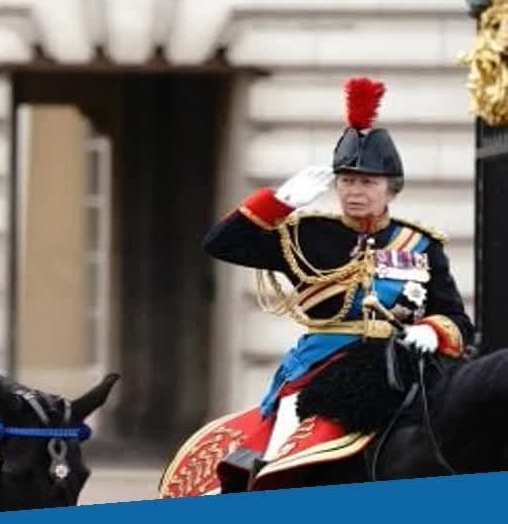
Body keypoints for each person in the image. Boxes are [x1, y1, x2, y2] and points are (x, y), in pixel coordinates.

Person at [193, 77, 472, 490]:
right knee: (283, 449)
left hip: (403, 363)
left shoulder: (420, 243)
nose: (355, 192)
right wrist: (278, 202)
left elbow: (455, 317)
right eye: (347, 182)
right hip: (325, 363)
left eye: (367, 183)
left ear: (389, 190)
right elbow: (222, 244)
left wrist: (432, 331)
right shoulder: (308, 233)